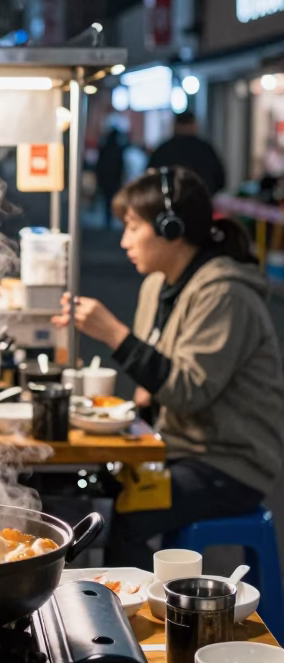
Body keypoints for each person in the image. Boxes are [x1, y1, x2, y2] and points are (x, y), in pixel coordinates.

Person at [53, 166, 284, 568]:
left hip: (228, 463)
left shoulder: (225, 294)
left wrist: (114, 335)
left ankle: (147, 617)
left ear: (170, 228)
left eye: (132, 228)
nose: (124, 240)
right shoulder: (156, 285)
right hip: (172, 448)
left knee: (122, 515)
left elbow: (187, 392)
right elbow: (151, 385)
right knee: (83, 491)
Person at [149, 111, 225, 195]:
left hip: (168, 203)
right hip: (200, 202)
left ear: (174, 126)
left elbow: (150, 180)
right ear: (194, 125)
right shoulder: (206, 149)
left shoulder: (162, 150)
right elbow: (220, 181)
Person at [95, 128, 126, 229]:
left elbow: (99, 165)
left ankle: (108, 219)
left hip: (107, 180)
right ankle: (109, 219)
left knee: (107, 200)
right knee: (110, 200)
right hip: (113, 180)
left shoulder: (105, 148)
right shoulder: (117, 149)